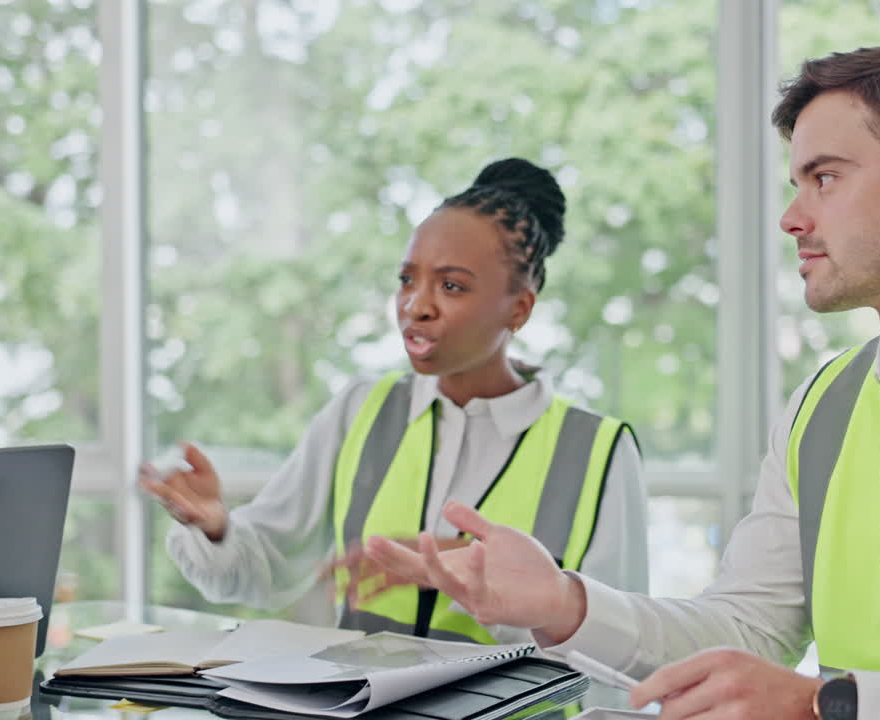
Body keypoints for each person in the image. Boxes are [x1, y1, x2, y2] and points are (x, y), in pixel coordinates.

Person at [362, 44, 880, 720]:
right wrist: (568, 603)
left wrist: (830, 706)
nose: (792, 217)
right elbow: (746, 631)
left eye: (825, 178)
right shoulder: (821, 410)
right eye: (795, 183)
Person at [139, 158, 649, 643]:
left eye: (451, 285)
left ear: (518, 309)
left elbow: (620, 650)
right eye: (407, 280)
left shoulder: (599, 451)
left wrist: (484, 578)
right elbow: (264, 569)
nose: (415, 306)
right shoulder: (363, 409)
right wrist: (215, 526)